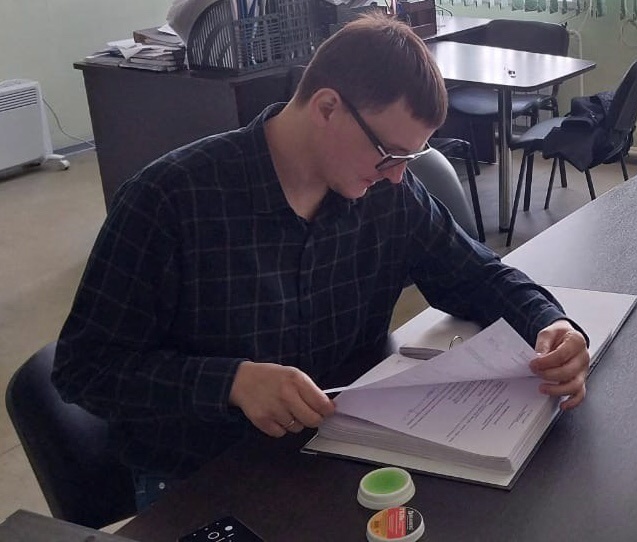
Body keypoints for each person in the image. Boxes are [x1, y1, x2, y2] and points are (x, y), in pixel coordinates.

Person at [52, 13, 590, 507]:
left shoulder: (387, 195)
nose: (397, 175)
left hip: (343, 447)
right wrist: (232, 382)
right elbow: (85, 369)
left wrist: (550, 323)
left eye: (410, 158)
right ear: (327, 107)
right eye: (389, 154)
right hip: (204, 470)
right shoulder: (170, 201)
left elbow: (476, 275)